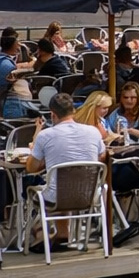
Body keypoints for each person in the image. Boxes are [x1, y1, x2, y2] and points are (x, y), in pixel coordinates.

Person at [25, 92, 107, 252]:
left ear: (52, 114)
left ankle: (36, 235)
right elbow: (101, 157)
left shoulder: (45, 135)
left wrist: (47, 160)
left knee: (45, 186)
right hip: (88, 195)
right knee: (65, 181)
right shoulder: (93, 132)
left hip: (57, 197)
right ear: (74, 111)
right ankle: (63, 234)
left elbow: (31, 168)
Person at [1, 31, 26, 118]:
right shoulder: (8, 67)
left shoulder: (4, 61)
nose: (19, 46)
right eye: (16, 44)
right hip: (6, 103)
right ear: (11, 46)